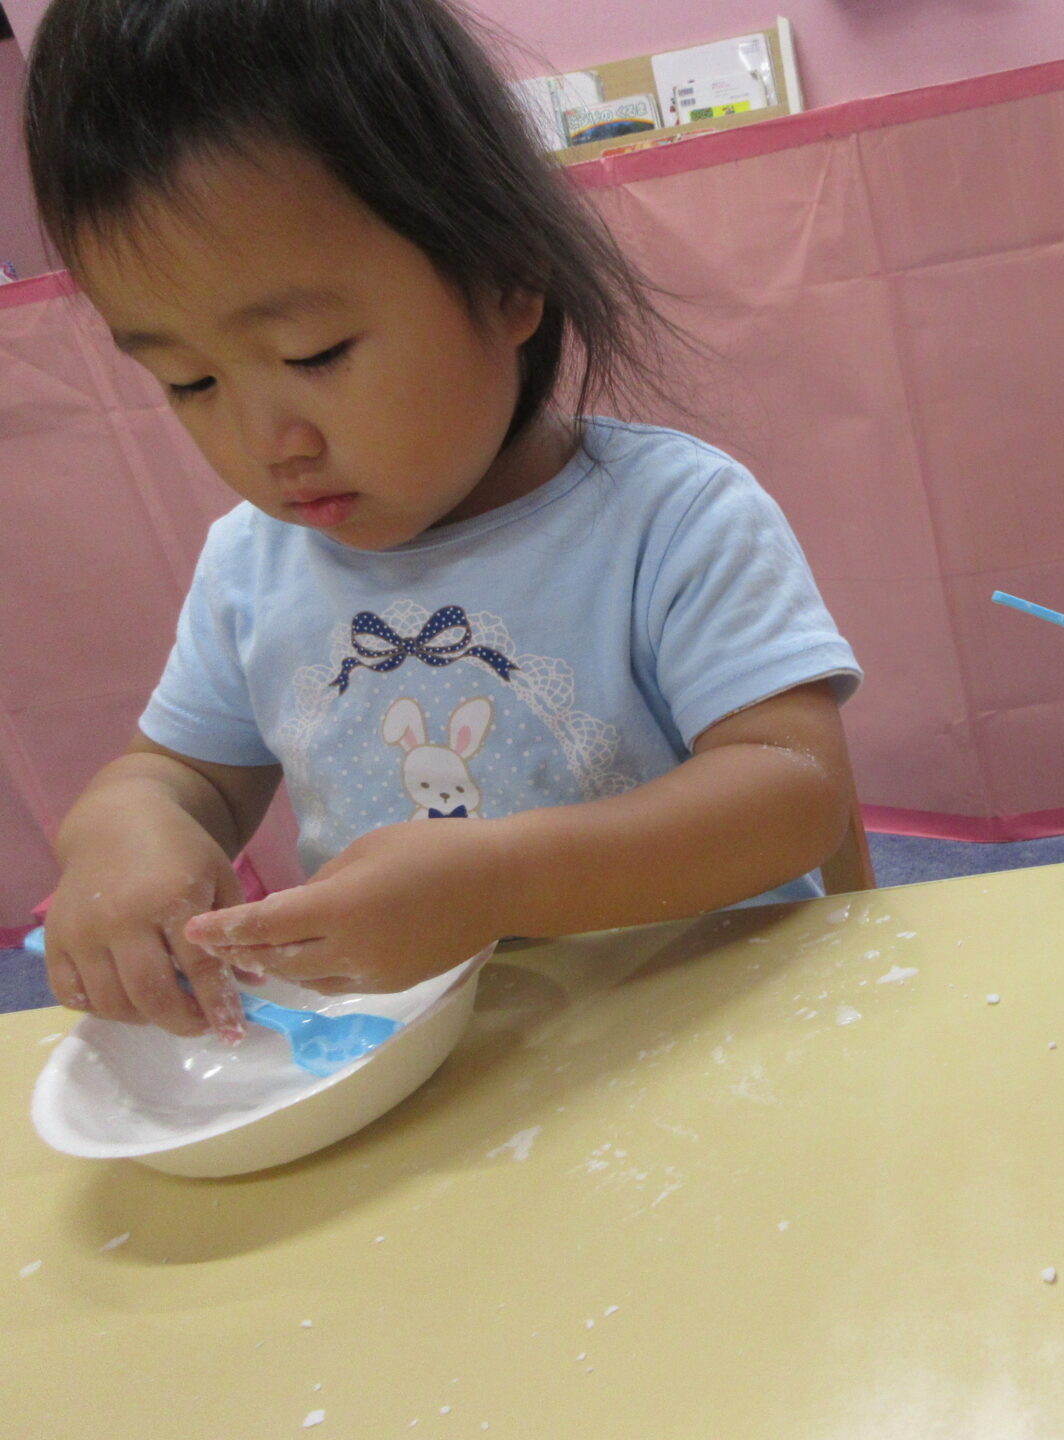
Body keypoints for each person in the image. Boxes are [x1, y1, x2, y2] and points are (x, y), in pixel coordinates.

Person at [27, 0, 861, 1043]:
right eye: (190, 381)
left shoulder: (671, 519)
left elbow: (795, 792)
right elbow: (181, 774)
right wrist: (122, 832)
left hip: (704, 1032)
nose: (266, 440)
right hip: (433, 1062)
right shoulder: (251, 567)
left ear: (507, 278)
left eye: (314, 354)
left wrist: (500, 880)